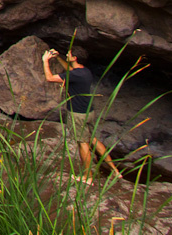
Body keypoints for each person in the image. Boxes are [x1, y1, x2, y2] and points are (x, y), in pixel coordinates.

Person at [41, 47, 122, 182]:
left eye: (69, 54)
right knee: (93, 140)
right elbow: (70, 71)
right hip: (89, 112)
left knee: (82, 144)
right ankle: (115, 171)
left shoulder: (75, 75)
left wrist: (45, 61)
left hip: (78, 114)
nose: (67, 54)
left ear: (75, 58)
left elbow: (49, 78)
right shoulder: (85, 71)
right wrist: (59, 57)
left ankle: (87, 177)